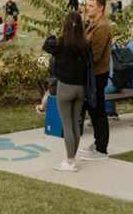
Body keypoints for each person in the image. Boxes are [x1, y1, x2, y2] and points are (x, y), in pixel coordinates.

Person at [42, 11, 88, 172]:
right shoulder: (85, 43)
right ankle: (71, 157)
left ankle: (70, 161)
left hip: (65, 87)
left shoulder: (61, 43)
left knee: (67, 125)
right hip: (81, 88)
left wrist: (52, 36)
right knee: (75, 123)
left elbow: (46, 46)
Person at [79, 0, 112, 162]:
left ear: (101, 8)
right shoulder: (94, 24)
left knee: (97, 110)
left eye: (91, 6)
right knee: (93, 110)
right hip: (93, 74)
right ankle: (98, 142)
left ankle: (101, 149)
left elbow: (95, 55)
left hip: (97, 75)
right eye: (87, 5)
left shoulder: (102, 27)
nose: (87, 8)